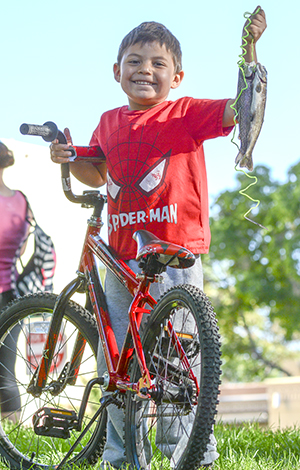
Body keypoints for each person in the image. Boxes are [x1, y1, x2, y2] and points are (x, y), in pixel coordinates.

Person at [50, 7, 267, 468]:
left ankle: (189, 453)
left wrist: (250, 50)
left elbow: (240, 106)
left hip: (173, 254)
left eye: (157, 63)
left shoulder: (186, 113)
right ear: (116, 71)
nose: (144, 70)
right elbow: (97, 169)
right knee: (121, 365)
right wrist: (70, 157)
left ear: (178, 76)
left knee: (176, 362)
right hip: (120, 257)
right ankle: (120, 455)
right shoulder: (108, 121)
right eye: (133, 61)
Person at [0, 142, 30, 422]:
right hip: (12, 296)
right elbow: (22, 248)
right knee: (6, 369)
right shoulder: (21, 200)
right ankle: (14, 433)